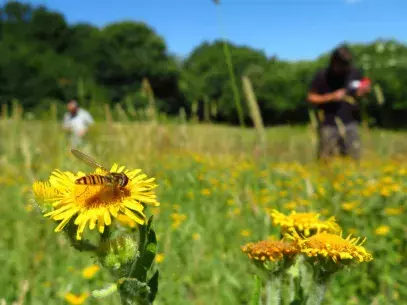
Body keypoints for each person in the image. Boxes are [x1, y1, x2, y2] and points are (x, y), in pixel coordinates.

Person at [307, 45, 371, 161]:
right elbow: (311, 97)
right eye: (341, 65)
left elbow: (364, 82)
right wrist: (331, 97)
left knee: (353, 159)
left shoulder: (353, 72)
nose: (344, 68)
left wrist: (365, 88)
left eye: (347, 64)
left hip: (351, 122)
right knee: (326, 159)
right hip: (328, 124)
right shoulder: (322, 75)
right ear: (334, 62)